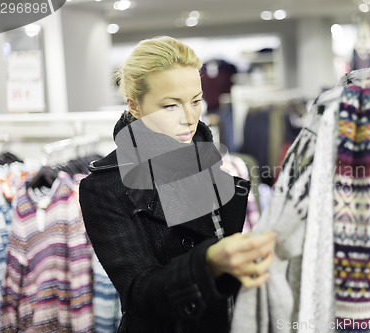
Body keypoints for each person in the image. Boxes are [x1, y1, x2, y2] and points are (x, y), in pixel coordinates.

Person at [78, 36, 276, 333]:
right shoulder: (105, 188)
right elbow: (138, 293)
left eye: (196, 101)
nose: (189, 118)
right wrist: (207, 263)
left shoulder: (205, 158)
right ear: (135, 106)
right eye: (170, 106)